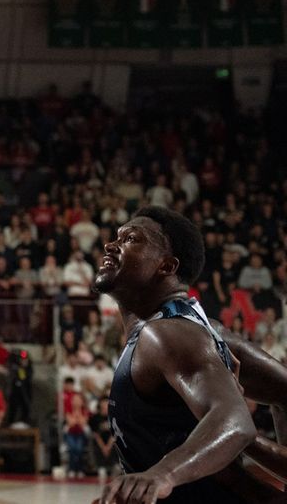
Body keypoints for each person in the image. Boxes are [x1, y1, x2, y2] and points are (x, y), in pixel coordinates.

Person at [94, 207, 280, 503]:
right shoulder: (205, 329)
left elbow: (236, 422)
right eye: (116, 237)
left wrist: (162, 474)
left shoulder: (167, 334)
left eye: (130, 239)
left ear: (166, 266)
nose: (110, 245)